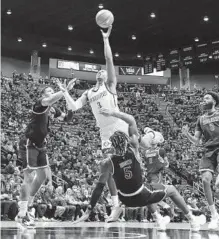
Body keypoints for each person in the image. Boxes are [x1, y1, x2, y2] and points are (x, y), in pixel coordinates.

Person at [74, 108, 202, 231]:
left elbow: (99, 188)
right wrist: (113, 113)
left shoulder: (107, 163)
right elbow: (131, 120)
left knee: (148, 187)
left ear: (112, 145)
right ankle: (192, 220)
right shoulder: (134, 148)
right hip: (141, 195)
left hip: (124, 199)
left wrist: (88, 211)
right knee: (171, 190)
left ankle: (158, 219)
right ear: (126, 142)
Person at [57, 26, 129, 222]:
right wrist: (64, 92)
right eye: (98, 71)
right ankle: (115, 206)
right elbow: (73, 107)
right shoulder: (89, 93)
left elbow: (108, 60)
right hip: (104, 133)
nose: (100, 71)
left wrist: (106, 39)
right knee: (108, 169)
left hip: (118, 127)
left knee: (117, 167)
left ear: (106, 76)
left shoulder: (110, 85)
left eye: (103, 71)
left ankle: (130, 205)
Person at [16, 79, 75, 228]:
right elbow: (50, 99)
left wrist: (70, 104)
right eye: (49, 91)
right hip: (29, 142)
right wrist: (63, 90)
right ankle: (22, 214)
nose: (51, 93)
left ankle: (27, 206)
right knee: (28, 177)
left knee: (42, 176)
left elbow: (67, 118)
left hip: (42, 145)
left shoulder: (52, 110)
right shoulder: (40, 103)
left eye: (51, 90)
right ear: (43, 94)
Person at [182, 92, 219, 230]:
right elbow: (196, 141)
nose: (204, 100)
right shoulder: (201, 119)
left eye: (207, 98)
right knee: (205, 180)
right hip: (208, 151)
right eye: (203, 98)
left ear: (214, 101)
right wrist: (187, 135)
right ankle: (214, 215)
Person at [143, 130, 171, 210]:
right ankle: (160, 209)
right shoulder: (146, 152)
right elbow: (146, 163)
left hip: (156, 174)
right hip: (148, 174)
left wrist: (164, 166)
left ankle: (165, 206)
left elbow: (167, 163)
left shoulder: (161, 150)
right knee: (148, 193)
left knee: (153, 192)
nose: (152, 143)